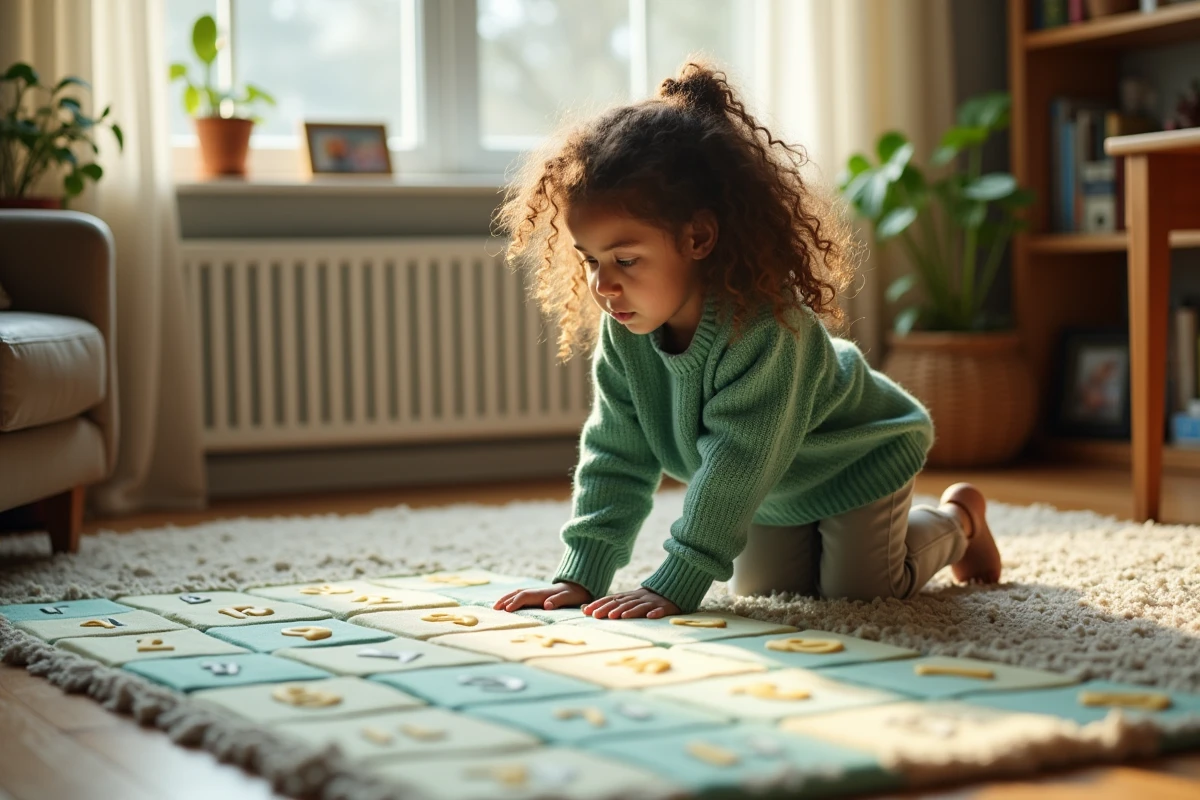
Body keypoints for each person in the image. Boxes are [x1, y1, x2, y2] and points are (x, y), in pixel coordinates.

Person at [491, 61, 1001, 621]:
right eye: (590, 260)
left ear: (698, 237)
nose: (602, 285)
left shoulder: (765, 329)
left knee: (859, 592)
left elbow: (737, 463)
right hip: (775, 487)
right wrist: (581, 573)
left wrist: (677, 580)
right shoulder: (625, 333)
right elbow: (616, 452)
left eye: (626, 260)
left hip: (856, 459)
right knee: (767, 593)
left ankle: (960, 520)